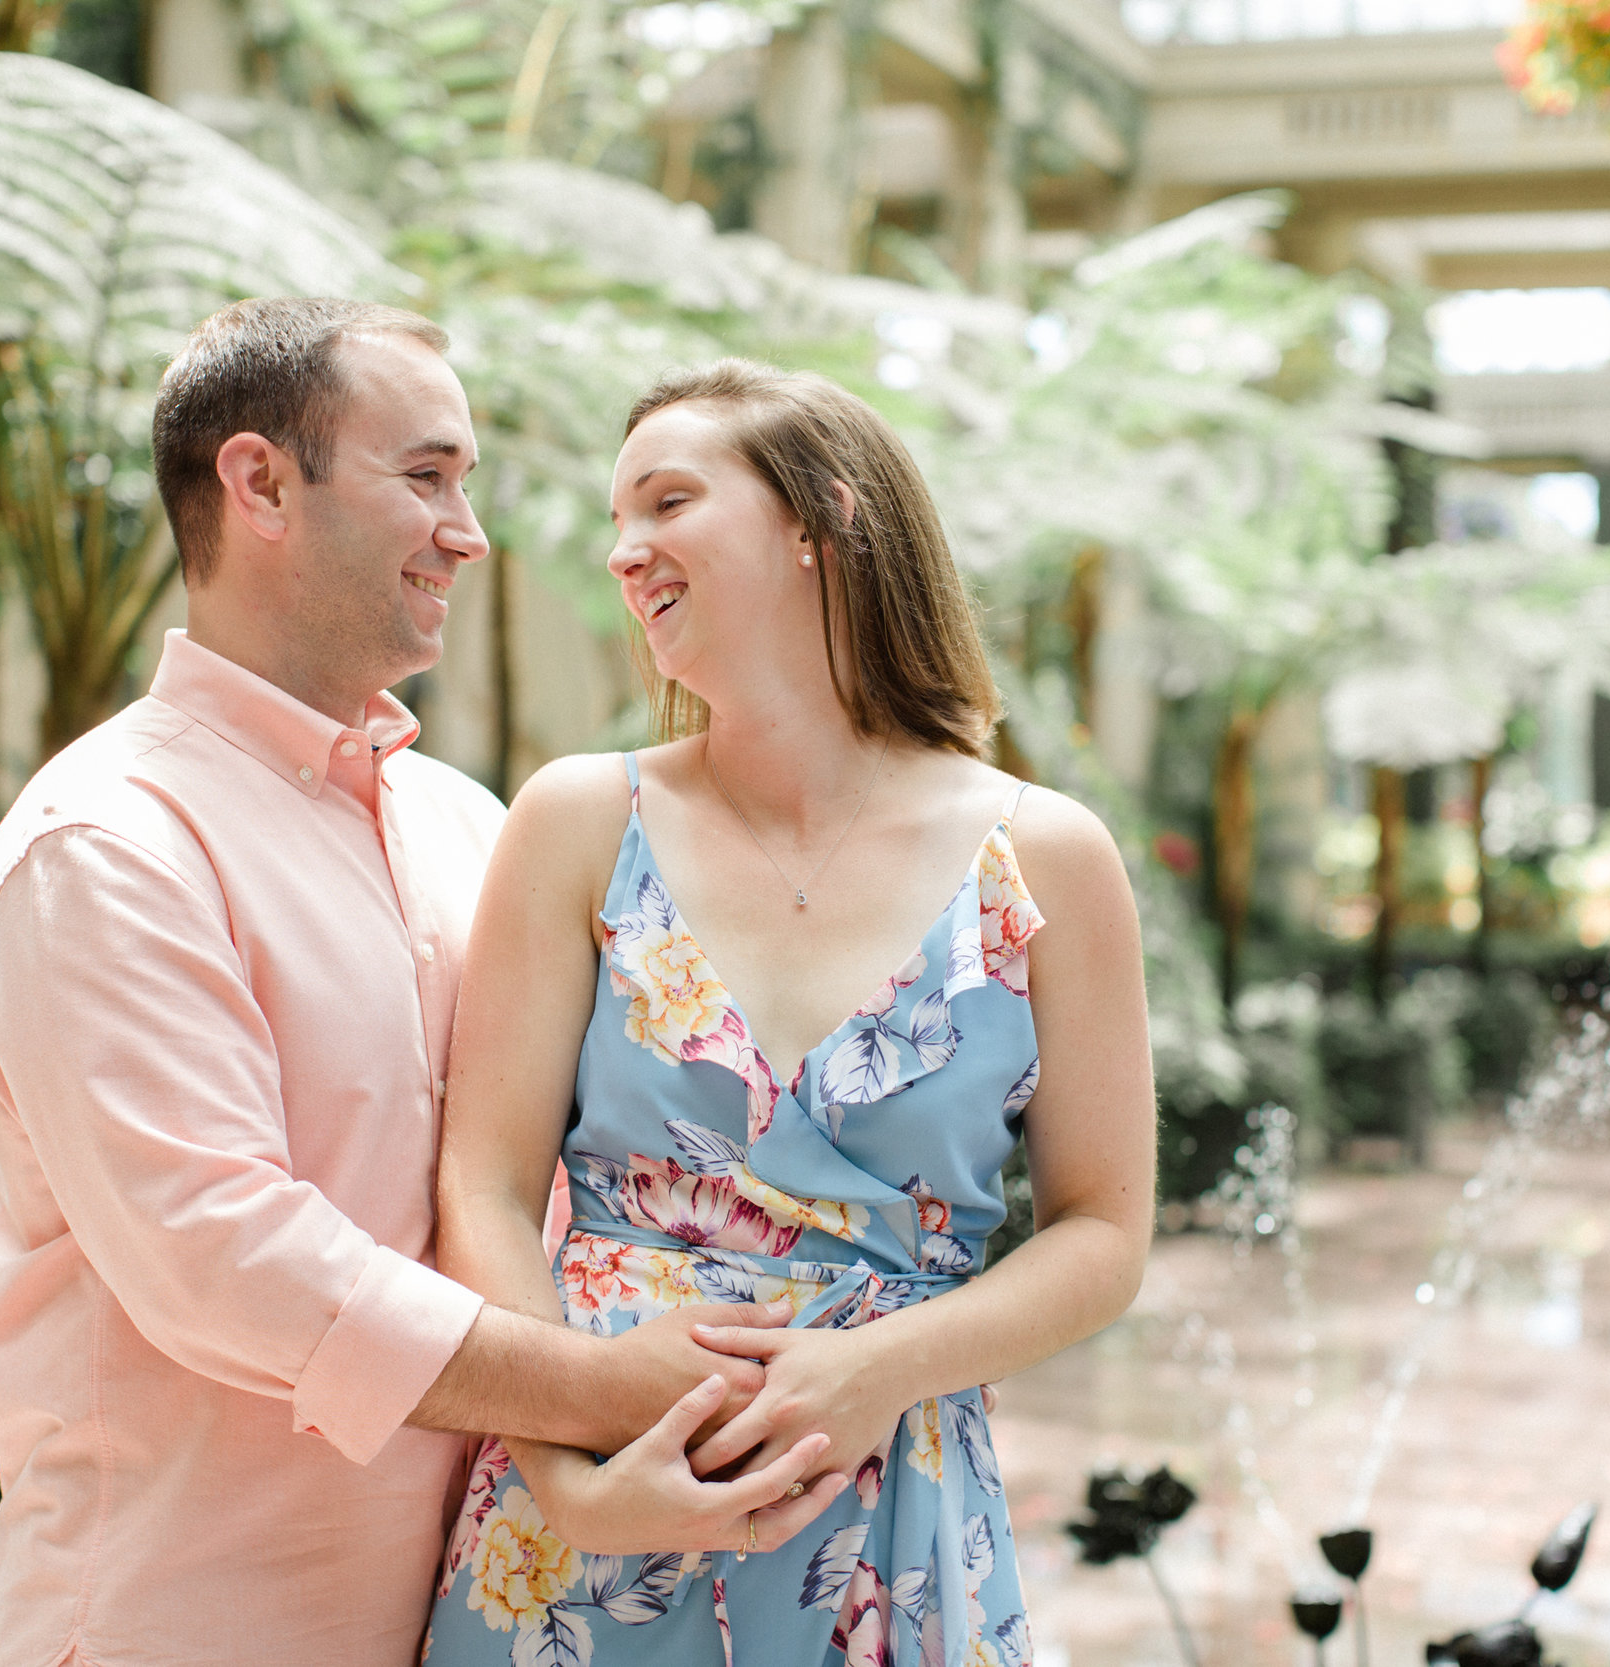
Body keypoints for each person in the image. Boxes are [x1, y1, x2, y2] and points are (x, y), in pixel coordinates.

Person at [0, 302, 843, 1667]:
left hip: (482, 1612)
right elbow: (223, 1255)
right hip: (193, 1624)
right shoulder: (109, 847)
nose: (468, 531)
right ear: (258, 483)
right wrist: (605, 1389)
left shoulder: (466, 825)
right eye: (425, 476)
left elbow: (552, 1188)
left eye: (467, 485)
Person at [423, 360, 1158, 1667]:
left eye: (665, 503)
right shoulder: (583, 821)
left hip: (887, 1518)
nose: (621, 552)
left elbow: (1103, 1230)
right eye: (615, 521)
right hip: (580, 1511)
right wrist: (568, 1475)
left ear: (818, 521)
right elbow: (482, 1183)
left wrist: (881, 1368)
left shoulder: (1046, 856)